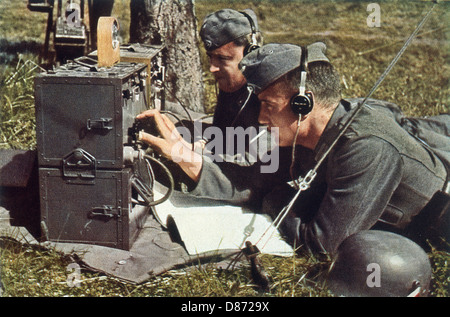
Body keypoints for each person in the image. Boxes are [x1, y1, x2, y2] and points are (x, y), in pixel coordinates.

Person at [137, 42, 449, 255]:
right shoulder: (307, 135)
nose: (261, 119)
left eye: (269, 106)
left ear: (303, 103)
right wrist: (186, 157)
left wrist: (276, 201)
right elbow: (255, 180)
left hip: (431, 231)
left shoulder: (365, 148)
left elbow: (324, 247)